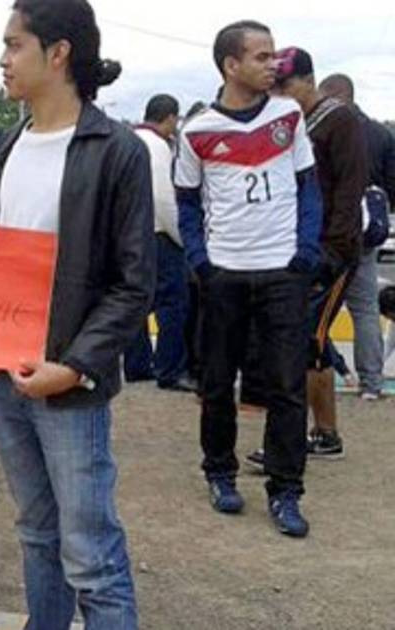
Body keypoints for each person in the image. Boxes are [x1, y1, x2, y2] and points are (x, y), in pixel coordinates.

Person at [0, 1, 145, 627]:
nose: (2, 59)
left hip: (69, 387)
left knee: (91, 555)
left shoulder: (117, 150)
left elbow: (133, 285)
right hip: (4, 376)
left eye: (14, 44)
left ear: (58, 54)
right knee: (36, 531)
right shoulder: (7, 146)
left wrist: (75, 367)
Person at [175, 21, 322, 538]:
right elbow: (187, 204)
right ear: (230, 65)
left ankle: (286, 489)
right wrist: (201, 262)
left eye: (273, 55)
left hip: (283, 271)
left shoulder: (288, 116)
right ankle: (220, 472)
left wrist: (305, 251)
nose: (273, 65)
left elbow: (308, 188)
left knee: (287, 385)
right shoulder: (196, 130)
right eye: (261, 56)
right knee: (217, 382)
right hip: (225, 273)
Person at [267, 47, 365, 461]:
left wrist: (334, 249)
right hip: (303, 245)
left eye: (286, 85)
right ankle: (325, 433)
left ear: (308, 80)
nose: (280, 94)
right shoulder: (296, 123)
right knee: (314, 344)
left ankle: (287, 439)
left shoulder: (339, 120)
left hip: (332, 248)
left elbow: (349, 187)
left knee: (305, 339)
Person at [320, 72, 394, 401]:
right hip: (366, 234)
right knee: (365, 309)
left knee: (317, 306)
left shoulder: (324, 128)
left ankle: (318, 370)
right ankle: (371, 383)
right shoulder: (380, 133)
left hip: (330, 231)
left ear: (334, 95)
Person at [127, 94, 199, 393]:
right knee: (173, 303)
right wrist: (183, 239)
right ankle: (169, 368)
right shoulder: (157, 147)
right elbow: (162, 199)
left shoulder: (129, 140)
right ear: (170, 118)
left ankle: (136, 364)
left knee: (134, 301)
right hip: (157, 235)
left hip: (128, 235)